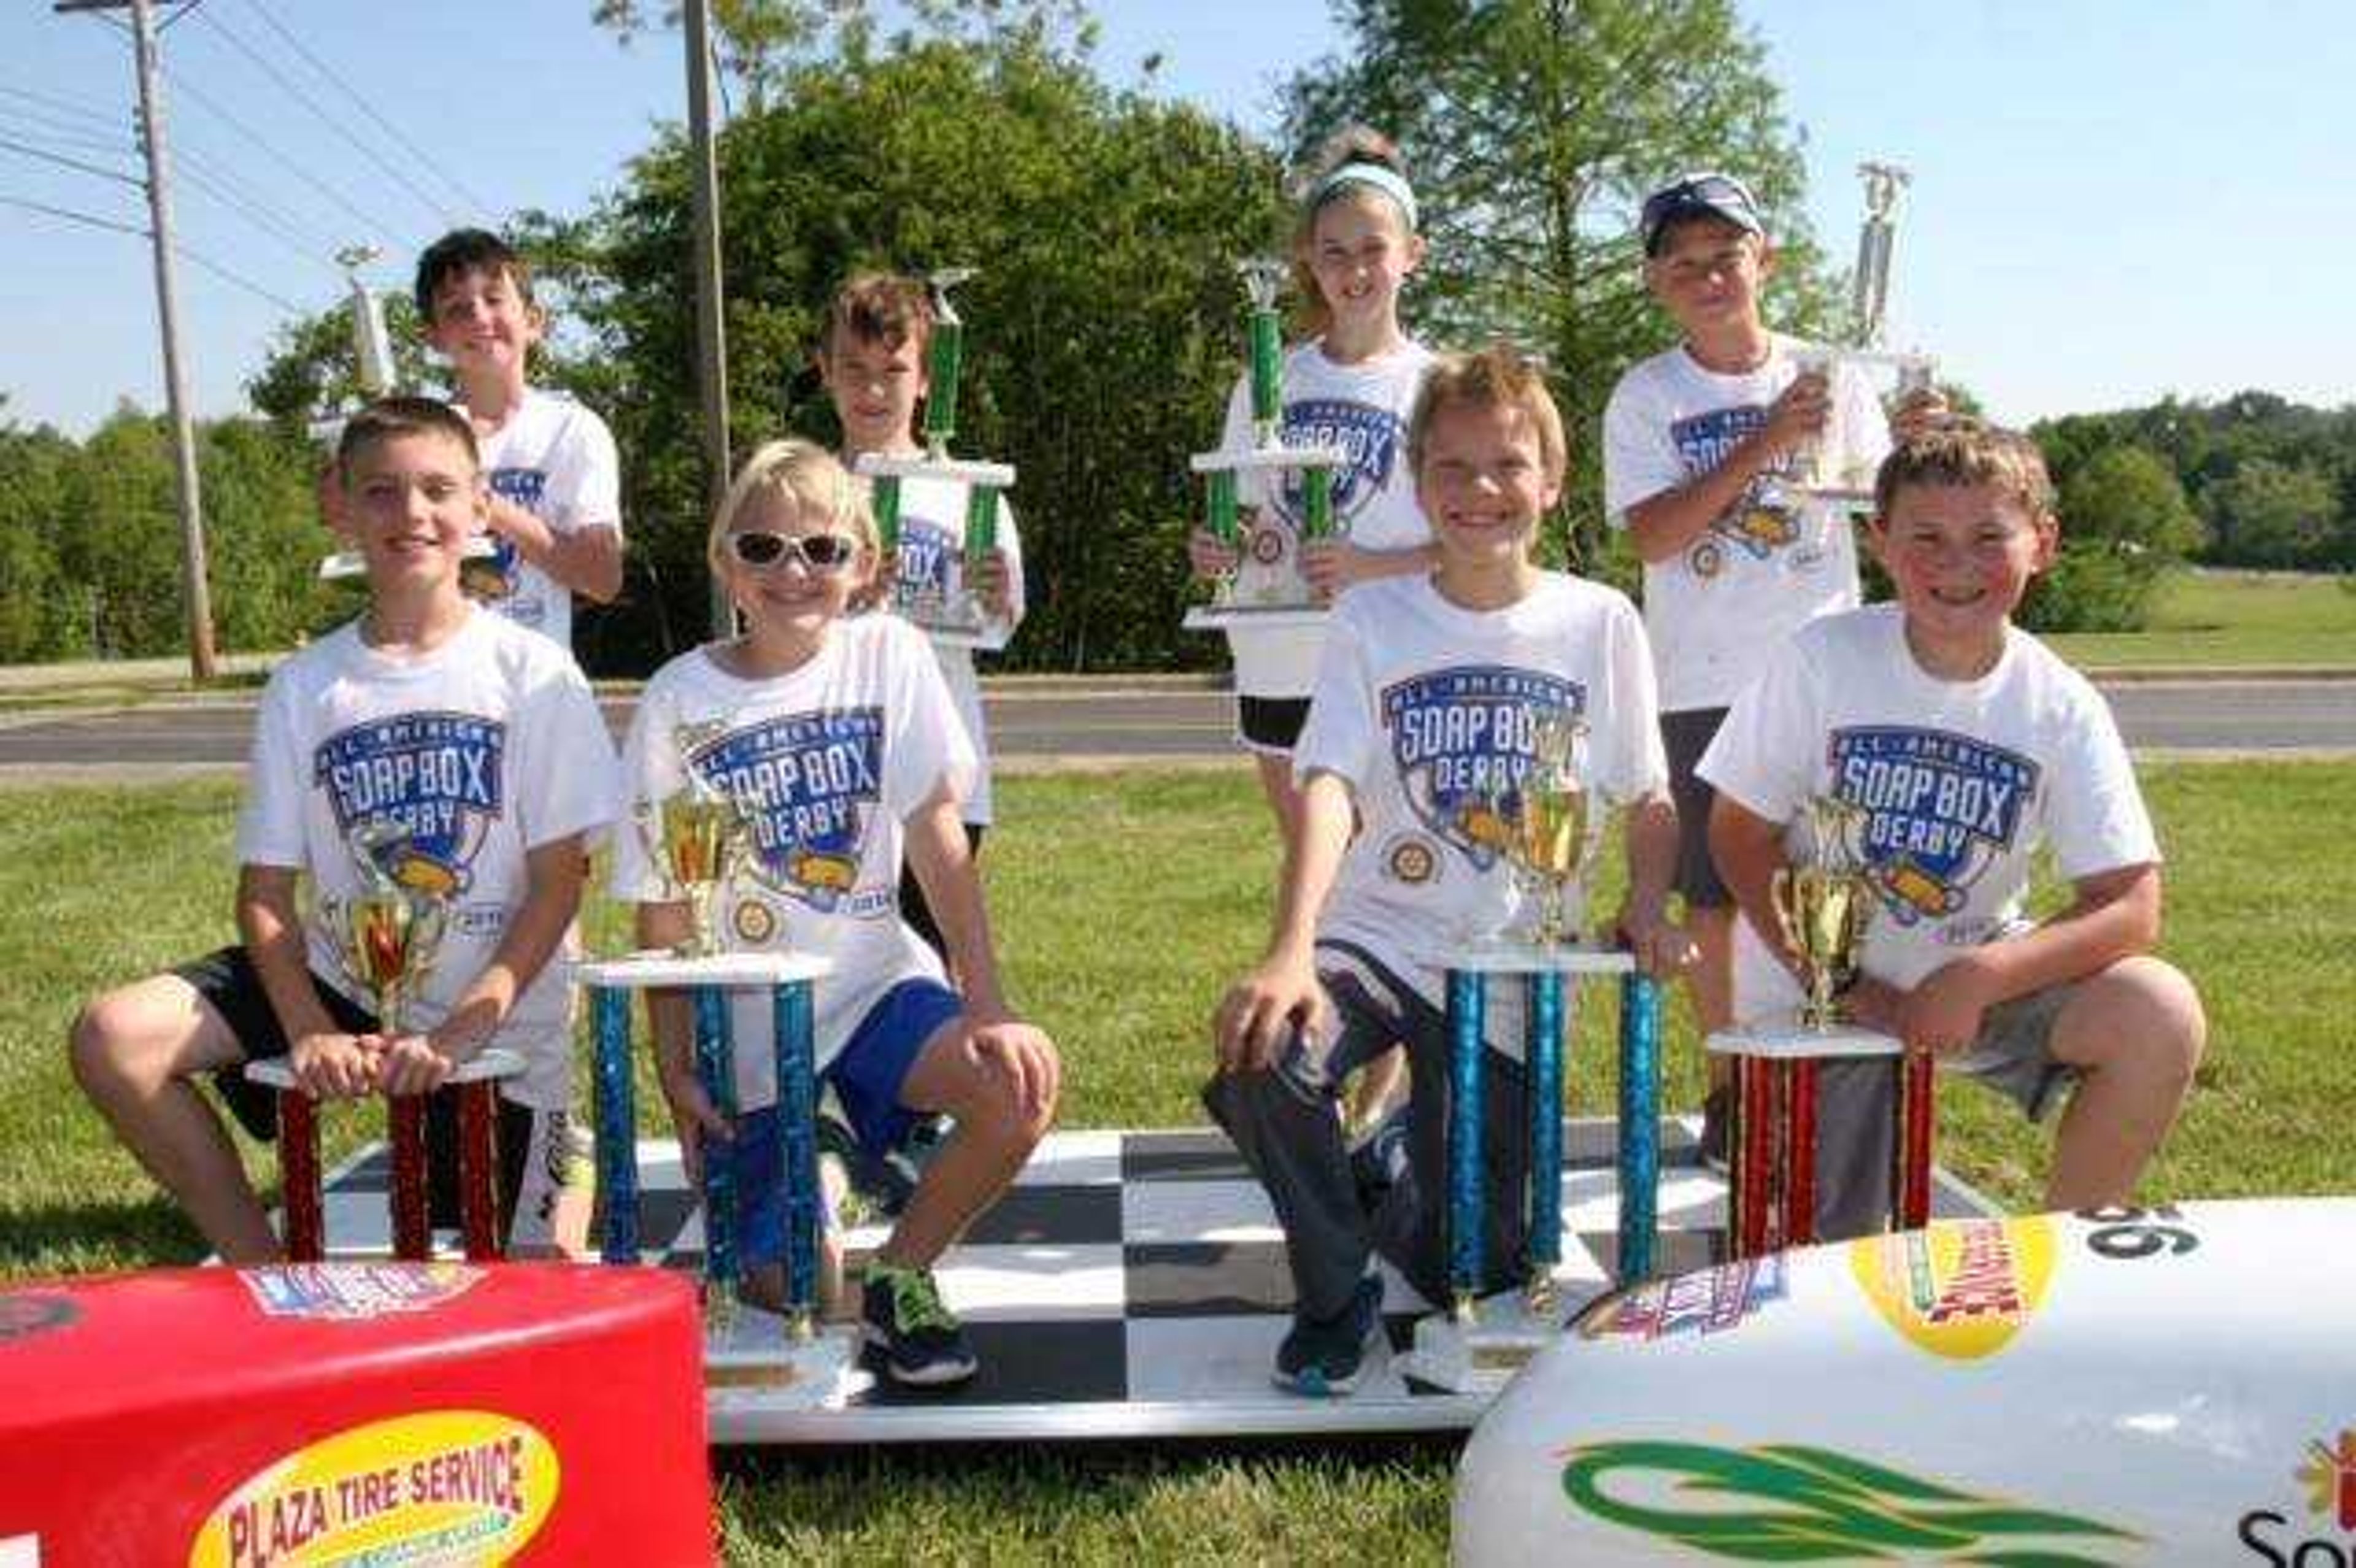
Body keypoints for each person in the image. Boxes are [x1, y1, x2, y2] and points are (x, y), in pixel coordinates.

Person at [1206, 348, 1691, 1396]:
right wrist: (1292, 949)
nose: (1480, 492)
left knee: (1481, 1263)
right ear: (1420, 482)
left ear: (1553, 482)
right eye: (1453, 469)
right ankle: (1336, 1303)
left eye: (1508, 466)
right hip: (1379, 936)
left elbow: (1647, 796)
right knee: (1267, 1051)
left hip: (1511, 966)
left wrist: (1647, 900)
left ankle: (1387, 1178)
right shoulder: (1375, 618)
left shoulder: (1598, 619)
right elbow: (1328, 781)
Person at [67, 396, 621, 1262]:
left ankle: (562, 1159)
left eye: (438, 489)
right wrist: (306, 1027)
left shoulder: (534, 674)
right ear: (342, 506)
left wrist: (461, 1033)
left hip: (494, 1024)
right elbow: (263, 894)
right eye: (383, 492)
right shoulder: (307, 685)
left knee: (520, 1288)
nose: (412, 514)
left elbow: (560, 885)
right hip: (346, 981)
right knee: (115, 1038)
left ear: (481, 506)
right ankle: (264, 1277)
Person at [613, 438, 1060, 1389]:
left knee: (1016, 1088)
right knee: (791, 1290)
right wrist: (677, 1072)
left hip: (873, 986)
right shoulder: (676, 698)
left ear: (865, 566)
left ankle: (903, 1275)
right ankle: (828, 1159)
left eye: (823, 549)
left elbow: (940, 841)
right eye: (765, 547)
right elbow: (659, 909)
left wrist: (986, 1002)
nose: (795, 571)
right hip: (746, 1026)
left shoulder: (890, 654)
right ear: (725, 561)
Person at [1703, 421, 2206, 1237]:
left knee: (2157, 1010)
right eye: (1926, 537)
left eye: (1987, 537)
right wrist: (1844, 983)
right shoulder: (1821, 660)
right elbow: (1738, 837)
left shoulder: (2060, 701)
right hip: (1823, 1000)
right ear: (1880, 542)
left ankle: (2061, 1269)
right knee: (1837, 1271)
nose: (1955, 564)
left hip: (1972, 989)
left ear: (2042, 543)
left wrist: (1982, 976)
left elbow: (2131, 905)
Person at [1602, 171, 1938, 1165]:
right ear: (1658, 281)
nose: (1710, 278)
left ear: (1767, 262)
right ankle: (1730, 1081)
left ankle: (1827, 1061)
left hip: (1827, 670)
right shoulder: (1647, 395)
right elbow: (1655, 537)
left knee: (1824, 872)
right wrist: (1762, 441)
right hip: (1703, 676)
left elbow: (1887, 515)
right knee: (1714, 896)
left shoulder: (1837, 378)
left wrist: (1924, 446)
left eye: (1727, 257)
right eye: (1685, 264)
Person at [815, 271, 1025, 963]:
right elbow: (765, 619)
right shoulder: (800, 493)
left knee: (932, 964)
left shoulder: (966, 494)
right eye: (855, 369)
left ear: (928, 381)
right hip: (831, 770)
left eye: (894, 371)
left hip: (942, 771)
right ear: (826, 372)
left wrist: (997, 596)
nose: (874, 391)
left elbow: (1000, 623)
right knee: (832, 962)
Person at [415, 228, 624, 651]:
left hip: (535, 687)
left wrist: (490, 509)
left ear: (533, 321)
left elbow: (603, 579)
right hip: (435, 677)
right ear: (434, 338)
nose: (478, 316)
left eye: (494, 299)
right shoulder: (416, 439)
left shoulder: (574, 429)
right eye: (457, 309)